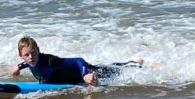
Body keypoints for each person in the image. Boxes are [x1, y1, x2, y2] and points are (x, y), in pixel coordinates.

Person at [10, 36, 144, 86]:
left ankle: (135, 64)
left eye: (33, 53)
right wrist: (18, 67)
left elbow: (77, 61)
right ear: (21, 55)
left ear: (38, 50)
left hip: (89, 75)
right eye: (26, 55)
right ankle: (133, 63)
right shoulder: (27, 61)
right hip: (79, 77)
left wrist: (86, 74)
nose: (31, 57)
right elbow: (28, 63)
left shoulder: (51, 61)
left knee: (114, 71)